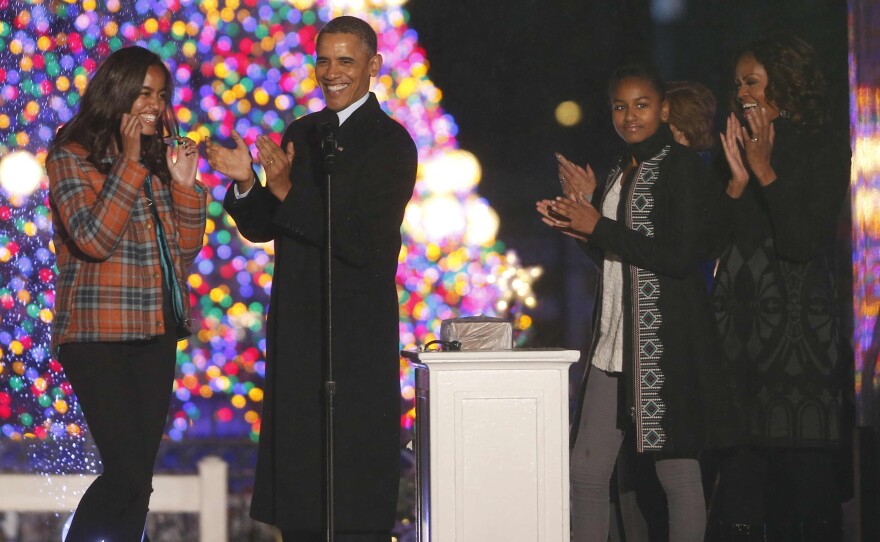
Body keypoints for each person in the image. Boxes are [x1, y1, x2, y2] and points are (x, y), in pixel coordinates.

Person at [206, 15, 417, 542]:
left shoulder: (391, 143)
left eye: (346, 60)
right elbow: (263, 227)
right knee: (299, 491)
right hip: (299, 328)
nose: (332, 72)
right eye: (323, 60)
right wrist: (247, 183)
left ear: (373, 66)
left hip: (355, 335)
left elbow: (362, 242)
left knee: (352, 492)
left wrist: (285, 191)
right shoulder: (303, 131)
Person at [539, 64, 729, 542]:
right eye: (620, 107)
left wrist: (596, 224)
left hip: (664, 343)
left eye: (641, 104)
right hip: (614, 342)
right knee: (585, 471)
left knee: (677, 472)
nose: (630, 116)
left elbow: (680, 256)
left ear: (663, 109)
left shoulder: (683, 168)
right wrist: (576, 222)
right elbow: (617, 257)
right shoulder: (619, 170)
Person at [47, 46, 206, 541]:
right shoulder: (69, 155)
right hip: (95, 334)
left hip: (155, 333)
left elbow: (182, 252)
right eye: (143, 93)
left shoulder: (161, 159)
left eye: (161, 95)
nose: (155, 106)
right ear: (116, 93)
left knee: (140, 479)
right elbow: (94, 237)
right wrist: (131, 162)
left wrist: (184, 185)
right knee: (127, 473)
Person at [708, 34, 851, 541]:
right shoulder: (731, 144)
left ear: (786, 83)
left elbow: (802, 242)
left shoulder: (822, 144)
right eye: (738, 83)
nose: (742, 92)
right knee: (739, 481)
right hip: (739, 336)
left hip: (798, 340)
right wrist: (734, 184)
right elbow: (715, 244)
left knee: (805, 477)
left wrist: (765, 170)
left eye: (753, 81)